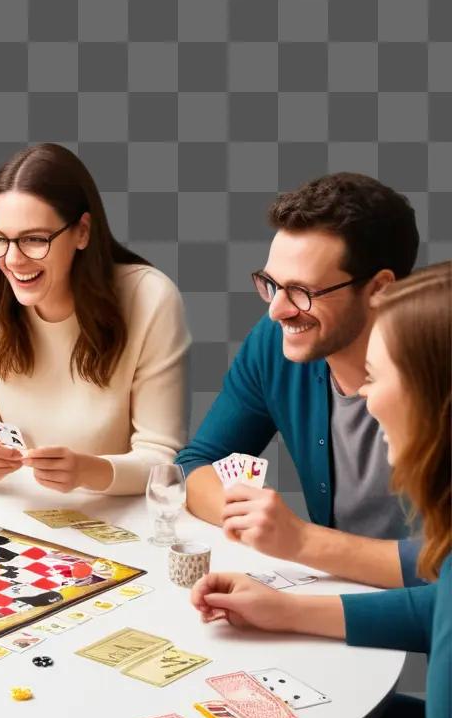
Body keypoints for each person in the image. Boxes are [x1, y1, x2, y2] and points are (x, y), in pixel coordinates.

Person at [179, 262, 450, 718]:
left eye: (378, 376)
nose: (361, 395)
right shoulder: (274, 350)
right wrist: (289, 610)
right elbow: (442, 606)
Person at [176, 173, 425, 588]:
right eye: (271, 284)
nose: (277, 311)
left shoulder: (438, 370)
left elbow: (443, 565)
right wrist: (257, 524)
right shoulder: (276, 344)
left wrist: (302, 542)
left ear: (380, 288)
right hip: (330, 599)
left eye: (302, 292)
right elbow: (196, 465)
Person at [0, 142, 190, 495]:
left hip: (117, 522)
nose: (12, 260)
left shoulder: (150, 297)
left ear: (82, 232)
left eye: (33, 239)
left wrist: (91, 471)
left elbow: (163, 461)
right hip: (15, 512)